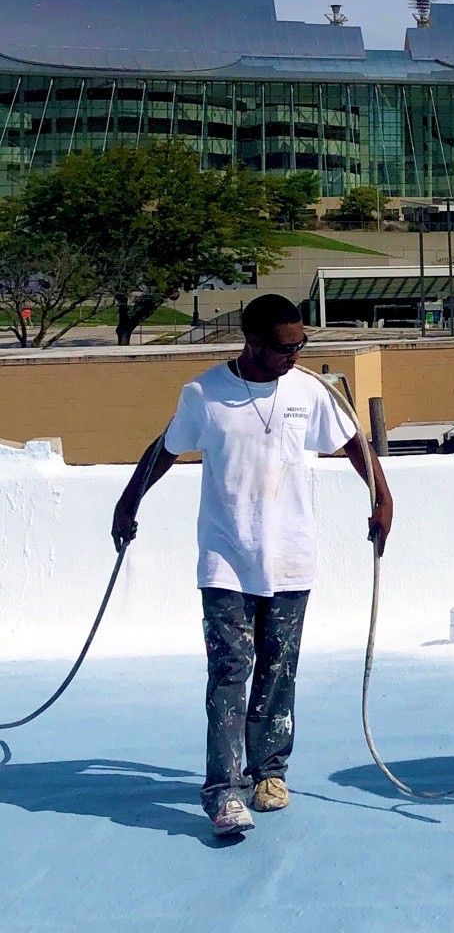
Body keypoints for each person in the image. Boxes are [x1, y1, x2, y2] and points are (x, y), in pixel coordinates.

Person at [111, 294, 393, 838]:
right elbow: (165, 450)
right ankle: (222, 789)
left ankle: (270, 774)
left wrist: (383, 498)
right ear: (253, 342)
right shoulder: (204, 393)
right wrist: (129, 501)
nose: (295, 355)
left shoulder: (310, 392)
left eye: (301, 345)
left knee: (278, 670)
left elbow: (354, 443)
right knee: (229, 673)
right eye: (285, 347)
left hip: (291, 558)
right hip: (225, 561)